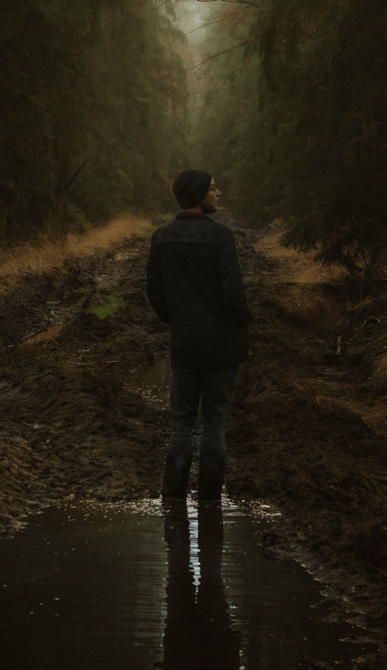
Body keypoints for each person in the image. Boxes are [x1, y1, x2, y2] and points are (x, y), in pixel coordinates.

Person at [146, 170, 251, 502]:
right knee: (214, 423)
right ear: (197, 195)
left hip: (185, 345)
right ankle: (210, 501)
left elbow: (155, 291)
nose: (219, 193)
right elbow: (234, 293)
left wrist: (176, 319)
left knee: (181, 423)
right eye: (213, 188)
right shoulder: (221, 237)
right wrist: (241, 322)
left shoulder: (161, 237)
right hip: (221, 346)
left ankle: (172, 498)